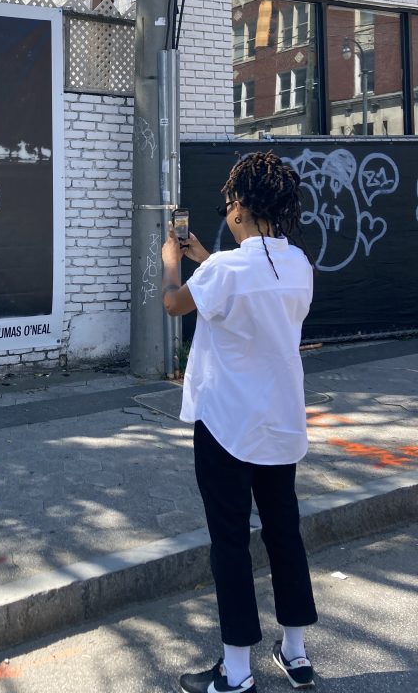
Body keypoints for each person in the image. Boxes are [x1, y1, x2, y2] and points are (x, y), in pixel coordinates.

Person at [161, 151, 317, 693]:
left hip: (227, 424)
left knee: (230, 540)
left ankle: (237, 669)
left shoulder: (227, 270)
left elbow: (175, 305)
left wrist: (172, 261)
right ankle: (295, 655)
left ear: (241, 207)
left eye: (231, 200)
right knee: (283, 533)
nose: (227, 208)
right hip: (280, 424)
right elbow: (246, 287)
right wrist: (207, 255)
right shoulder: (297, 264)